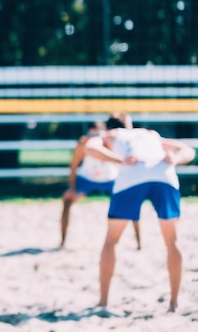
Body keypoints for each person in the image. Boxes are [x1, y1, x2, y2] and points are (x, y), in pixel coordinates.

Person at [84, 112, 195, 312]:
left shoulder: (111, 134)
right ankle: (174, 303)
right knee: (172, 241)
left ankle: (103, 301)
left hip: (132, 175)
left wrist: (119, 159)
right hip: (164, 173)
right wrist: (175, 158)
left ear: (109, 127)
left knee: (111, 241)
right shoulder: (149, 134)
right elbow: (187, 150)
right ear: (131, 124)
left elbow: (90, 148)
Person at [60, 120, 141, 249]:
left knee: (131, 203)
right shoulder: (84, 143)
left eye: (97, 136)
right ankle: (63, 242)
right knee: (67, 201)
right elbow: (74, 165)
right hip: (87, 178)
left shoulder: (109, 142)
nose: (95, 139)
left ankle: (139, 242)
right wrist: (72, 187)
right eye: (92, 136)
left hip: (110, 178)